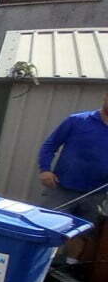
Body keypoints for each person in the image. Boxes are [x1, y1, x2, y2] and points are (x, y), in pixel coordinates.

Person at [38, 90, 108, 262]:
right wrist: (45, 170)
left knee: (82, 233)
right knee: (49, 227)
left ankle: (66, 268)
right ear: (105, 96)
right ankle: (40, 266)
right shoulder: (77, 121)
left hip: (96, 195)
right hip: (63, 188)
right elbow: (50, 145)